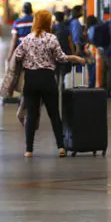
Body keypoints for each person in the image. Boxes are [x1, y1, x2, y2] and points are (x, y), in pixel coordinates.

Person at [15, 10, 86, 158]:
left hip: (31, 79)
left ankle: (29, 150)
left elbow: (18, 56)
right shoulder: (51, 38)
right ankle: (61, 147)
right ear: (48, 22)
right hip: (47, 78)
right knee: (54, 114)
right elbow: (60, 58)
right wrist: (76, 58)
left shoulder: (28, 38)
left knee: (32, 115)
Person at [52, 12, 74, 88]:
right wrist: (73, 53)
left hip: (54, 53)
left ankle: (57, 86)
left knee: (56, 72)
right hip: (65, 52)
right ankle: (62, 86)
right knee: (63, 72)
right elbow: (70, 42)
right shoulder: (67, 28)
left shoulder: (53, 28)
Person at [85, 15, 100, 88]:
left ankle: (91, 85)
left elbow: (90, 40)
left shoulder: (89, 29)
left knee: (90, 68)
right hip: (94, 51)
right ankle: (92, 85)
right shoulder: (94, 28)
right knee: (93, 69)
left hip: (90, 50)